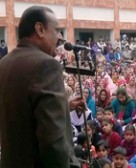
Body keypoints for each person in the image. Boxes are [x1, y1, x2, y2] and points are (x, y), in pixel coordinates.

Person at [0, 6, 86, 168]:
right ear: (40, 29)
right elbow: (53, 142)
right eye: (56, 30)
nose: (60, 37)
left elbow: (22, 113)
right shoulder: (46, 64)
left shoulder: (4, 63)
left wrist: (64, 107)